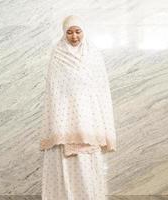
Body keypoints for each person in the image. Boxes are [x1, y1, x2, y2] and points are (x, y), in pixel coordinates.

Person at [40, 15, 117, 200]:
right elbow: (54, 89)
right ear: (64, 33)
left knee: (87, 158)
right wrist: (61, 120)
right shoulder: (58, 54)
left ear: (83, 32)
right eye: (69, 32)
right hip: (65, 117)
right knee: (66, 159)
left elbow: (101, 88)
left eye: (77, 31)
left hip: (89, 115)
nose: (74, 36)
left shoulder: (94, 54)